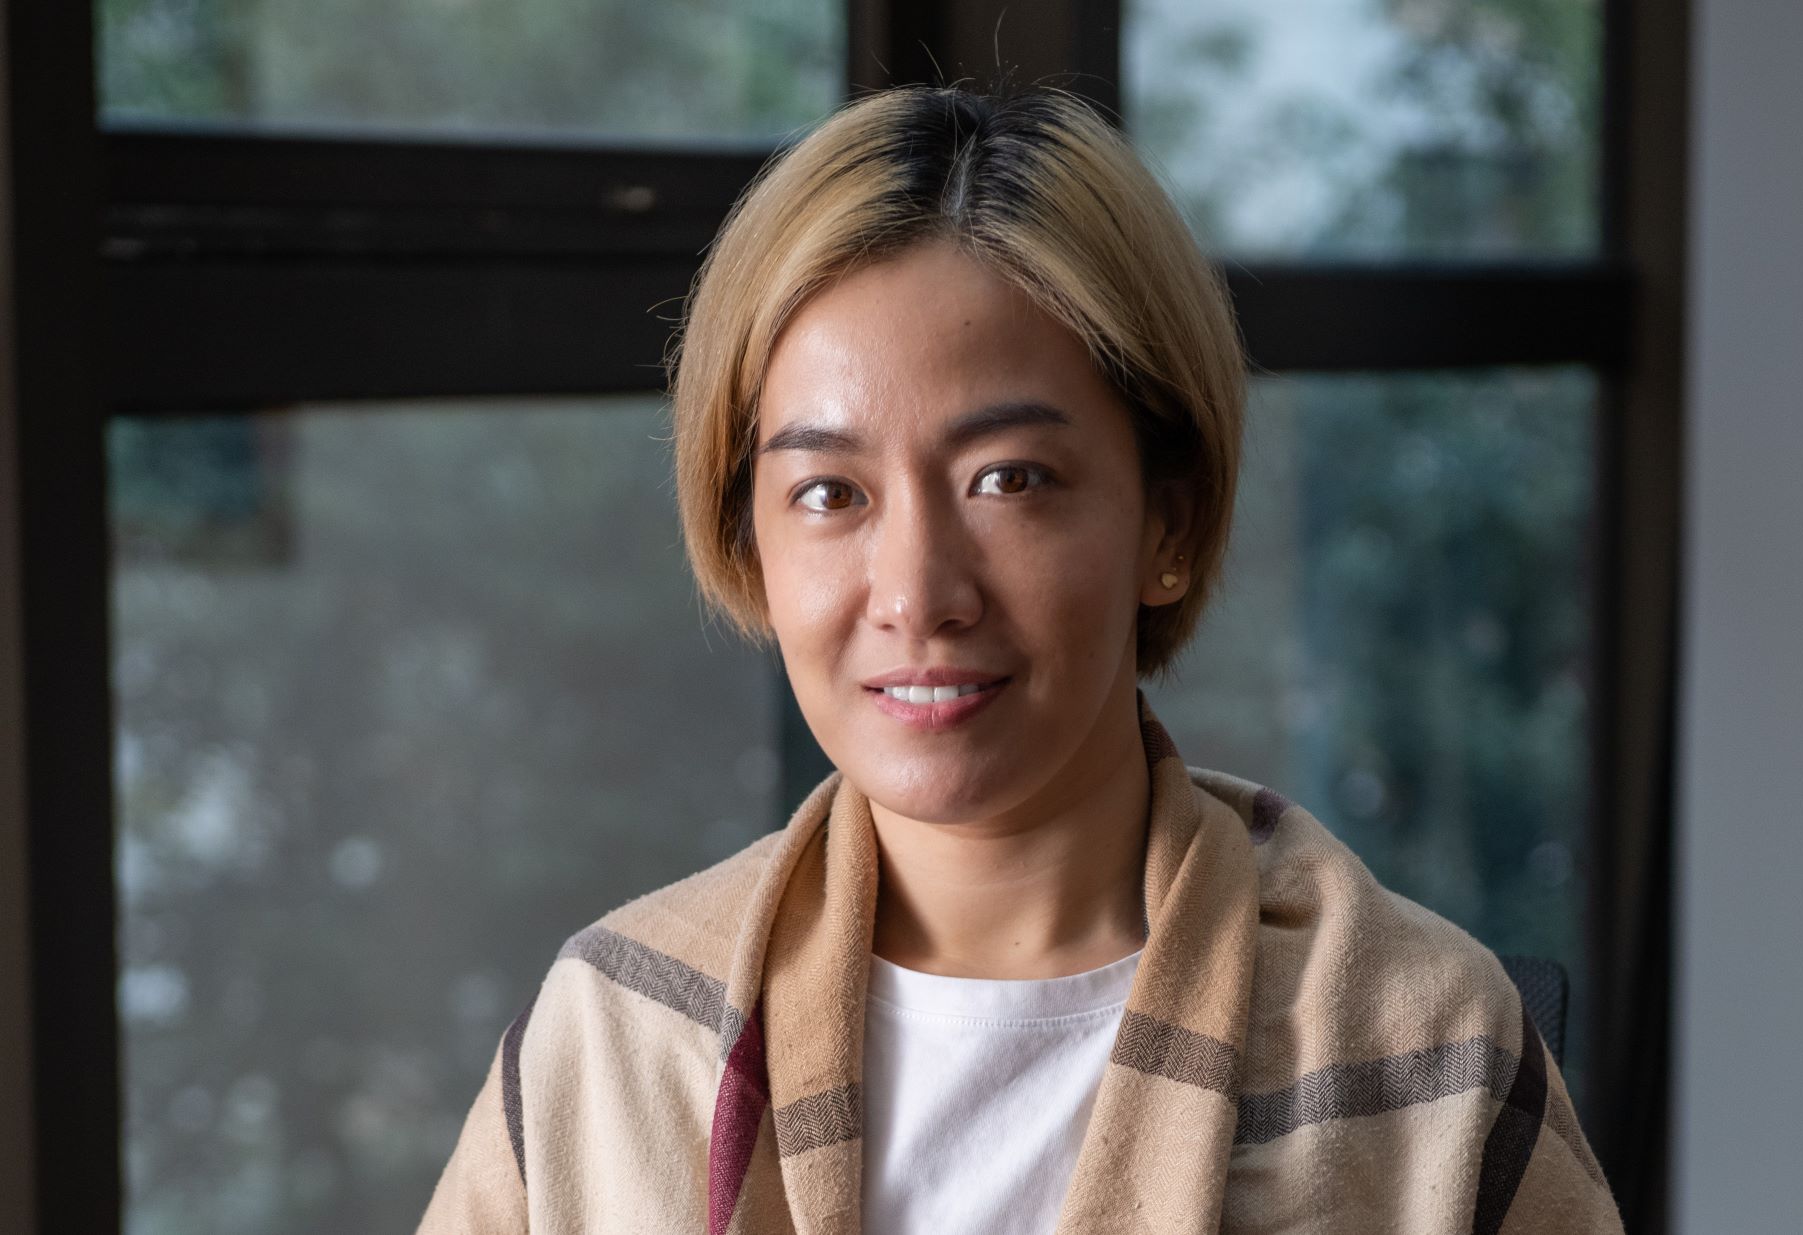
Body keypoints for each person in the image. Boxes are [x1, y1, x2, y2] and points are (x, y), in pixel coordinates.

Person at [417, 85, 1624, 1234]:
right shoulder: (614, 1041)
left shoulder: (1429, 1055)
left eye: (1009, 478)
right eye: (830, 492)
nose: (917, 593)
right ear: (750, 543)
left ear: (1168, 523)